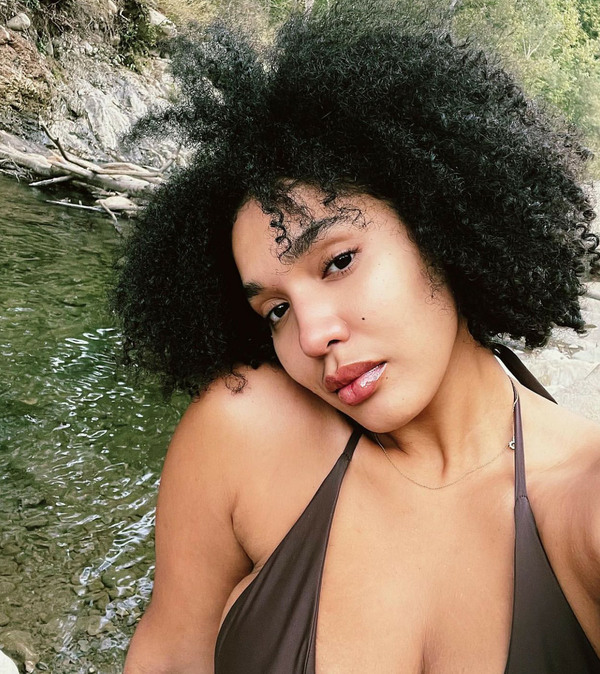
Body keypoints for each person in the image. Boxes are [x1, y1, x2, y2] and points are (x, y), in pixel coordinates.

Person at [116, 1, 600, 671]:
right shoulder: (242, 437)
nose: (311, 336)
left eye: (339, 261)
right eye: (275, 311)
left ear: (438, 225)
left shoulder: (581, 502)